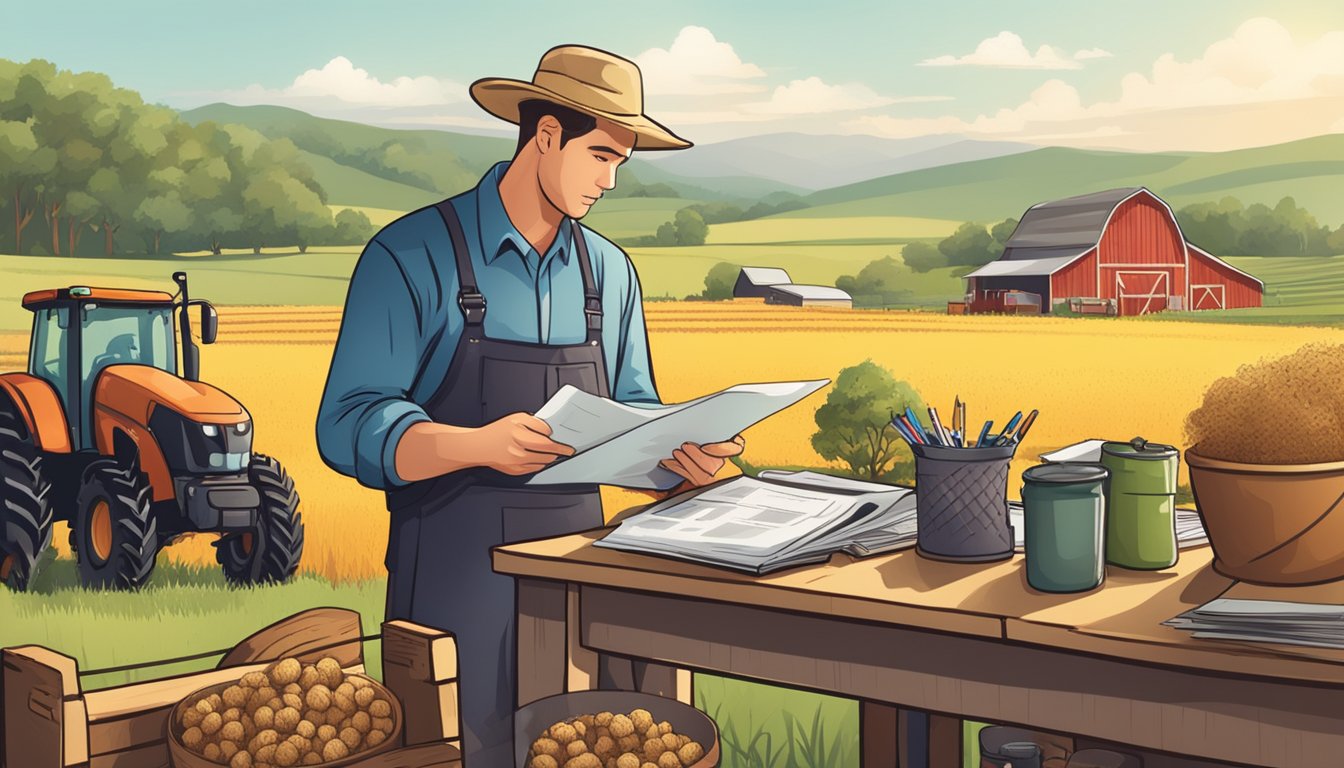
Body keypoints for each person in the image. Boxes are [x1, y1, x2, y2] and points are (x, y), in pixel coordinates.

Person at [315, 45, 744, 766]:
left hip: (581, 571)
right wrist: (476, 445)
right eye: (600, 155)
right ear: (545, 134)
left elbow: (633, 410)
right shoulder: (411, 254)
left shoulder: (610, 272)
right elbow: (347, 423)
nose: (610, 181)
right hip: (453, 583)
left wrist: (677, 459)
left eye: (622, 163)